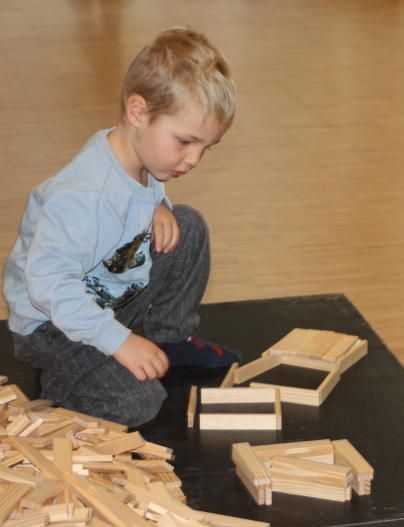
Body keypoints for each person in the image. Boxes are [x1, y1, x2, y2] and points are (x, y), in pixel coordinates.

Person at [3, 27, 240, 427]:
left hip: (108, 296)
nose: (194, 159)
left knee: (188, 225)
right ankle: (63, 377)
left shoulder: (141, 156)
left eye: (205, 148)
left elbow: (138, 195)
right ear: (137, 112)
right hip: (54, 325)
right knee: (139, 404)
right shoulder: (81, 197)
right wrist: (120, 342)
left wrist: (159, 203)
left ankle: (169, 339)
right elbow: (47, 286)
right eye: (185, 142)